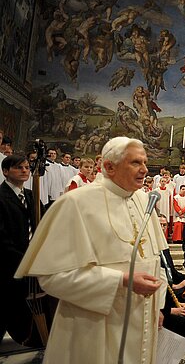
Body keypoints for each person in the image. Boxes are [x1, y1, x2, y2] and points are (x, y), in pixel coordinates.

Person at [15, 137, 168, 363]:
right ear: (109, 167)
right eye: (136, 163)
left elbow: (155, 260)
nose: (145, 170)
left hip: (143, 322)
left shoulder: (143, 199)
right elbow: (52, 277)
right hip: (94, 329)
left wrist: (158, 306)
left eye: (145, 162)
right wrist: (120, 280)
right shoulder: (76, 203)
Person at [0, 155, 45, 345]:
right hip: (8, 265)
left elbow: (40, 225)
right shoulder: (1, 197)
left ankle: (30, 341)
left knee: (24, 313)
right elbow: (2, 238)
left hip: (29, 266)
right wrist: (24, 258)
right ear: (5, 171)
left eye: (27, 167)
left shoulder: (30, 196)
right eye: (19, 168)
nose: (25, 171)